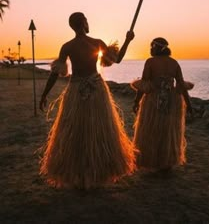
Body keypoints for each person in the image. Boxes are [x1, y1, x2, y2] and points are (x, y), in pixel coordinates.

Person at [39, 12, 136, 189]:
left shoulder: (67, 46)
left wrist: (45, 94)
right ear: (83, 23)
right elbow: (117, 59)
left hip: (79, 90)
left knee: (80, 131)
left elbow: (55, 73)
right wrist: (128, 40)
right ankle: (89, 174)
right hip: (94, 89)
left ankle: (86, 175)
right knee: (89, 131)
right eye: (86, 20)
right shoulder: (95, 43)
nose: (88, 22)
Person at [131, 37, 193, 173]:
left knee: (151, 130)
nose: (150, 49)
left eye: (152, 46)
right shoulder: (174, 63)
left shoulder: (150, 62)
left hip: (153, 100)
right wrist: (189, 105)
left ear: (158, 48)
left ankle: (152, 160)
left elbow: (144, 84)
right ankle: (166, 162)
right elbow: (181, 86)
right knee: (168, 131)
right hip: (171, 101)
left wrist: (136, 101)